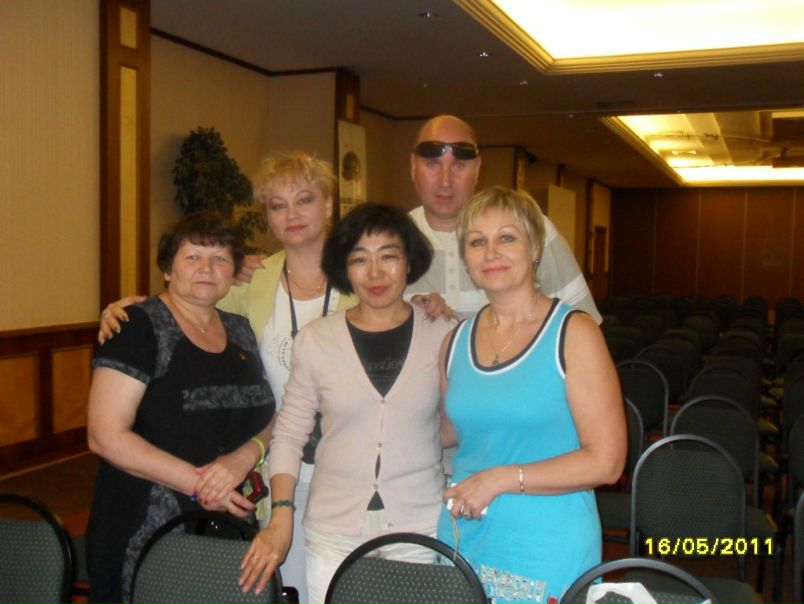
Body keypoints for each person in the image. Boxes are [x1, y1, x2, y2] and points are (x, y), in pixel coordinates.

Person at [238, 203, 455, 604]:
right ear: (344, 268)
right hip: (333, 527)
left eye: (388, 256)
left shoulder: (444, 331)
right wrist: (281, 512)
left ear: (409, 261)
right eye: (359, 259)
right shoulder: (317, 339)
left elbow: (461, 423)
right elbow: (289, 433)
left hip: (419, 524)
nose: (375, 272)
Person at [436, 186, 625, 604]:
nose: (491, 252)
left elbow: (607, 462)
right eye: (477, 242)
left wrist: (500, 478)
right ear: (466, 259)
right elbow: (447, 434)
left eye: (506, 237)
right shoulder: (453, 342)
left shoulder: (574, 333)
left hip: (545, 544)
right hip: (465, 536)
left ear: (535, 247)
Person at [86, 211, 275, 604]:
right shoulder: (137, 326)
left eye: (220, 258)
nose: (207, 268)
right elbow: (105, 436)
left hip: (227, 521)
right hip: (145, 524)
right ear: (168, 269)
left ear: (233, 272)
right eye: (192, 257)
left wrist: (243, 457)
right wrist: (200, 485)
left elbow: (271, 413)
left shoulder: (241, 329)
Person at [407, 114, 602, 323]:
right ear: (413, 167)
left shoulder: (530, 228)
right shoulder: (392, 242)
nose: (445, 181)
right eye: (432, 164)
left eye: (459, 165)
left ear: (477, 169)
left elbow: (584, 325)